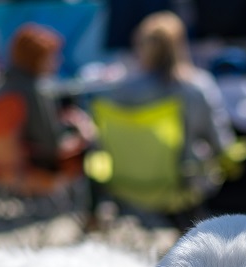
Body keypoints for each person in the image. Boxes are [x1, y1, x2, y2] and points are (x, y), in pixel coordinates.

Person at [100, 11, 236, 204]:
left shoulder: (121, 89)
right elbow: (221, 144)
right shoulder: (197, 87)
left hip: (126, 181)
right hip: (183, 182)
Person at [0, 23, 94, 177]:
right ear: (37, 59)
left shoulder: (2, 85)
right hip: (34, 167)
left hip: (1, 166)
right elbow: (52, 146)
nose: (58, 61)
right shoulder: (34, 92)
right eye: (52, 56)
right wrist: (83, 130)